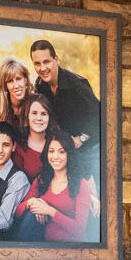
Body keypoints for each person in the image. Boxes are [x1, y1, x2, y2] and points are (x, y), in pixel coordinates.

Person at [30, 38, 100, 177]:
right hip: (64, 152)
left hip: (89, 150)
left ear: (56, 59)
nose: (42, 68)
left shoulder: (77, 85)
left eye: (46, 62)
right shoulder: (40, 86)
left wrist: (81, 139)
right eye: (37, 63)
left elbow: (101, 119)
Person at [21, 133, 100, 242]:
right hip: (43, 245)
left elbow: (79, 230)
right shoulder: (42, 179)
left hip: (70, 246)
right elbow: (17, 212)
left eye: (61, 152)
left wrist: (50, 211)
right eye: (51, 151)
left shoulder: (81, 184)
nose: (55, 156)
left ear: (69, 154)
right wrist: (31, 202)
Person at [9, 92, 61, 183]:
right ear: (27, 115)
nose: (39, 118)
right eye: (34, 113)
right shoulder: (18, 146)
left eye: (43, 114)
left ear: (49, 117)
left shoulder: (58, 142)